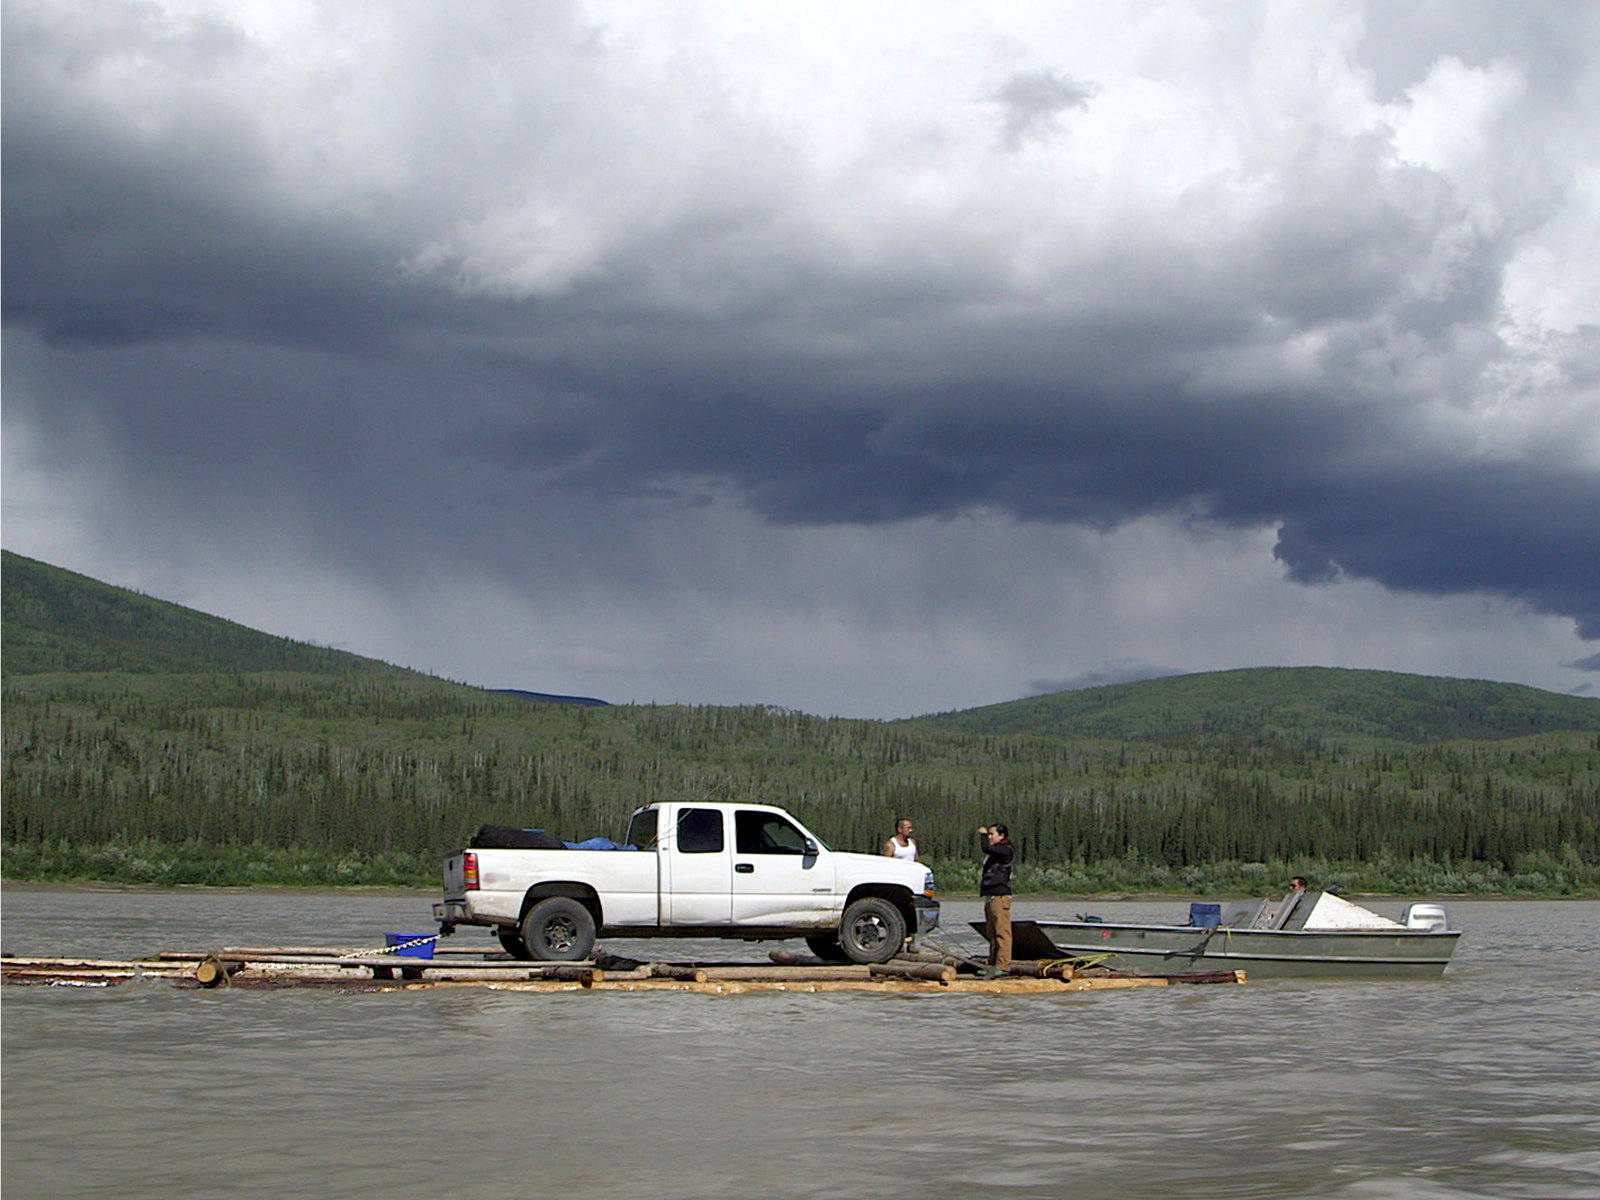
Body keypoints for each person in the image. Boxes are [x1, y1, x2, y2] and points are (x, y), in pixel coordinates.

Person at [977, 823, 1014, 974]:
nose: (989, 837)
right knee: (991, 932)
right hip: (990, 895)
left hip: (1000, 896)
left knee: (1002, 932)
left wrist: (982, 835)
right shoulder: (996, 852)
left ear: (1001, 835)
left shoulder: (1006, 850)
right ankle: (993, 963)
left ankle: (1003, 965)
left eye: (992, 834)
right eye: (988, 835)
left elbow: (986, 848)